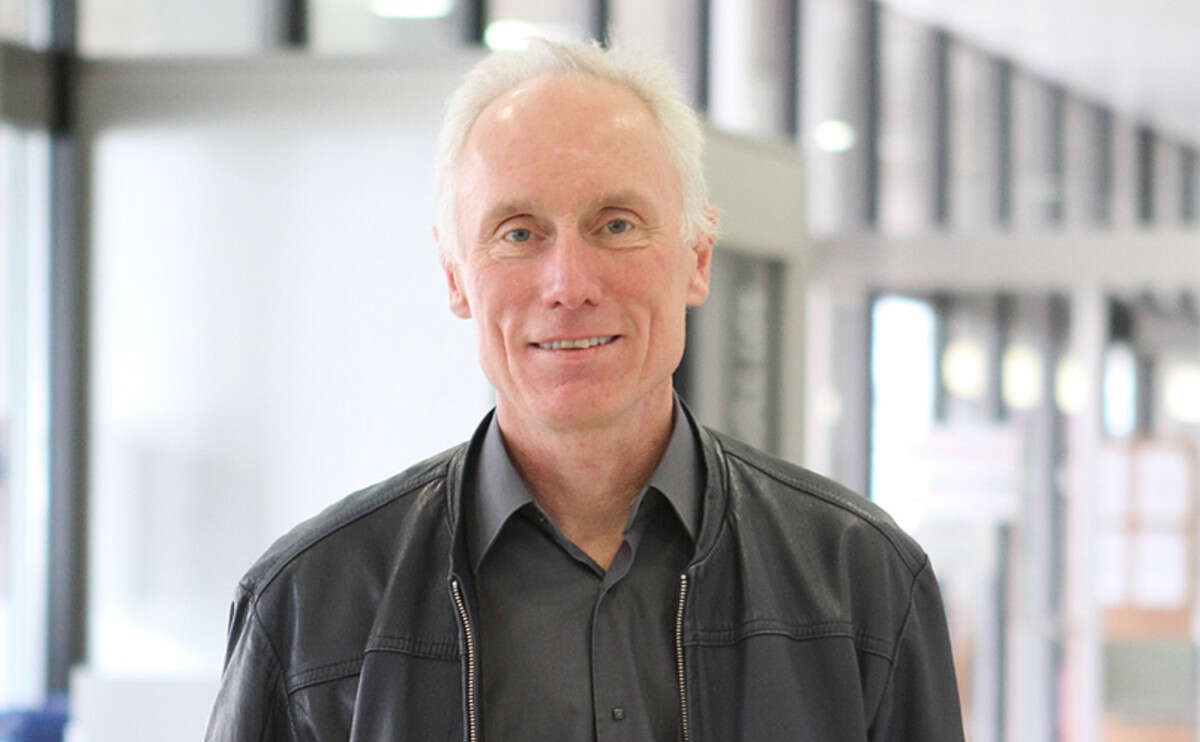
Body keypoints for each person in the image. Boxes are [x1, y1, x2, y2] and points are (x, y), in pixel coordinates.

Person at [205, 40, 964, 742]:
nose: (568, 285)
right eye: (518, 232)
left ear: (698, 257)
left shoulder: (864, 587)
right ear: (455, 276)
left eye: (617, 225)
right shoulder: (307, 609)